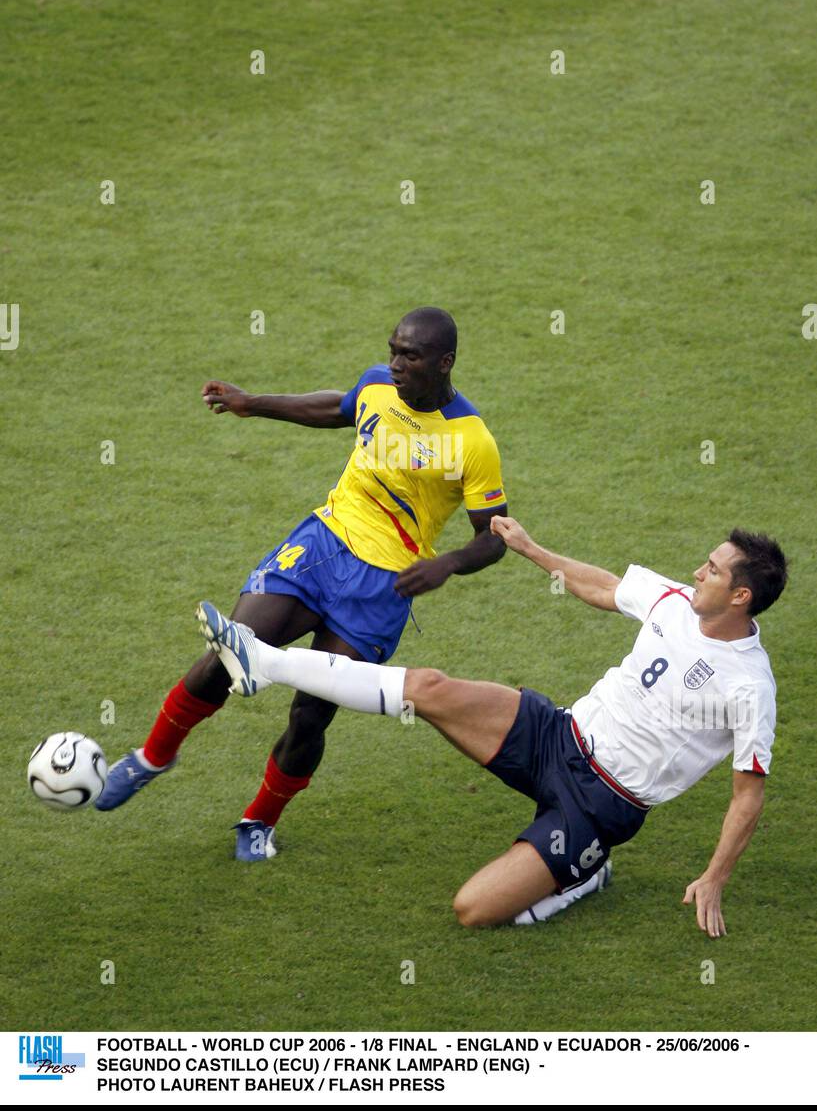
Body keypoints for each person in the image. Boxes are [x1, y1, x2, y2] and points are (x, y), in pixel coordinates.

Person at [195, 519, 787, 935]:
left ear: (740, 595)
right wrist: (532, 549)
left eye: (710, 570)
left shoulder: (748, 686)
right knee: (428, 688)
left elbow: (748, 794)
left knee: (473, 909)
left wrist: (713, 879)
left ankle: (584, 876)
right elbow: (605, 586)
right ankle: (264, 662)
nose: (695, 572)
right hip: (557, 734)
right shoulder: (677, 600)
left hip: (600, 805)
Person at [97, 307, 509, 860]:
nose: (395, 364)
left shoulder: (471, 439)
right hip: (323, 545)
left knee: (310, 715)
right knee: (227, 652)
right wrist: (252, 403)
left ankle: (259, 821)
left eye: (408, 357)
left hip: (384, 586)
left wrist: (449, 563)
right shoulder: (377, 385)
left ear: (444, 362)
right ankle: (153, 756)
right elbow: (335, 408)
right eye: (392, 350)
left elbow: (495, 537)